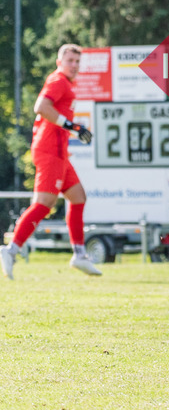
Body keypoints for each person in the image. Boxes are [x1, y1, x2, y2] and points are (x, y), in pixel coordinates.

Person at [1, 44, 101, 278]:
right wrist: (71, 126)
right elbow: (41, 107)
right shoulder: (58, 80)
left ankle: (79, 254)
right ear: (59, 62)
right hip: (50, 151)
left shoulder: (67, 83)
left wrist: (71, 130)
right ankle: (10, 250)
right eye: (70, 61)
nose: (74, 65)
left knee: (78, 197)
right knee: (44, 203)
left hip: (60, 152)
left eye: (77, 61)